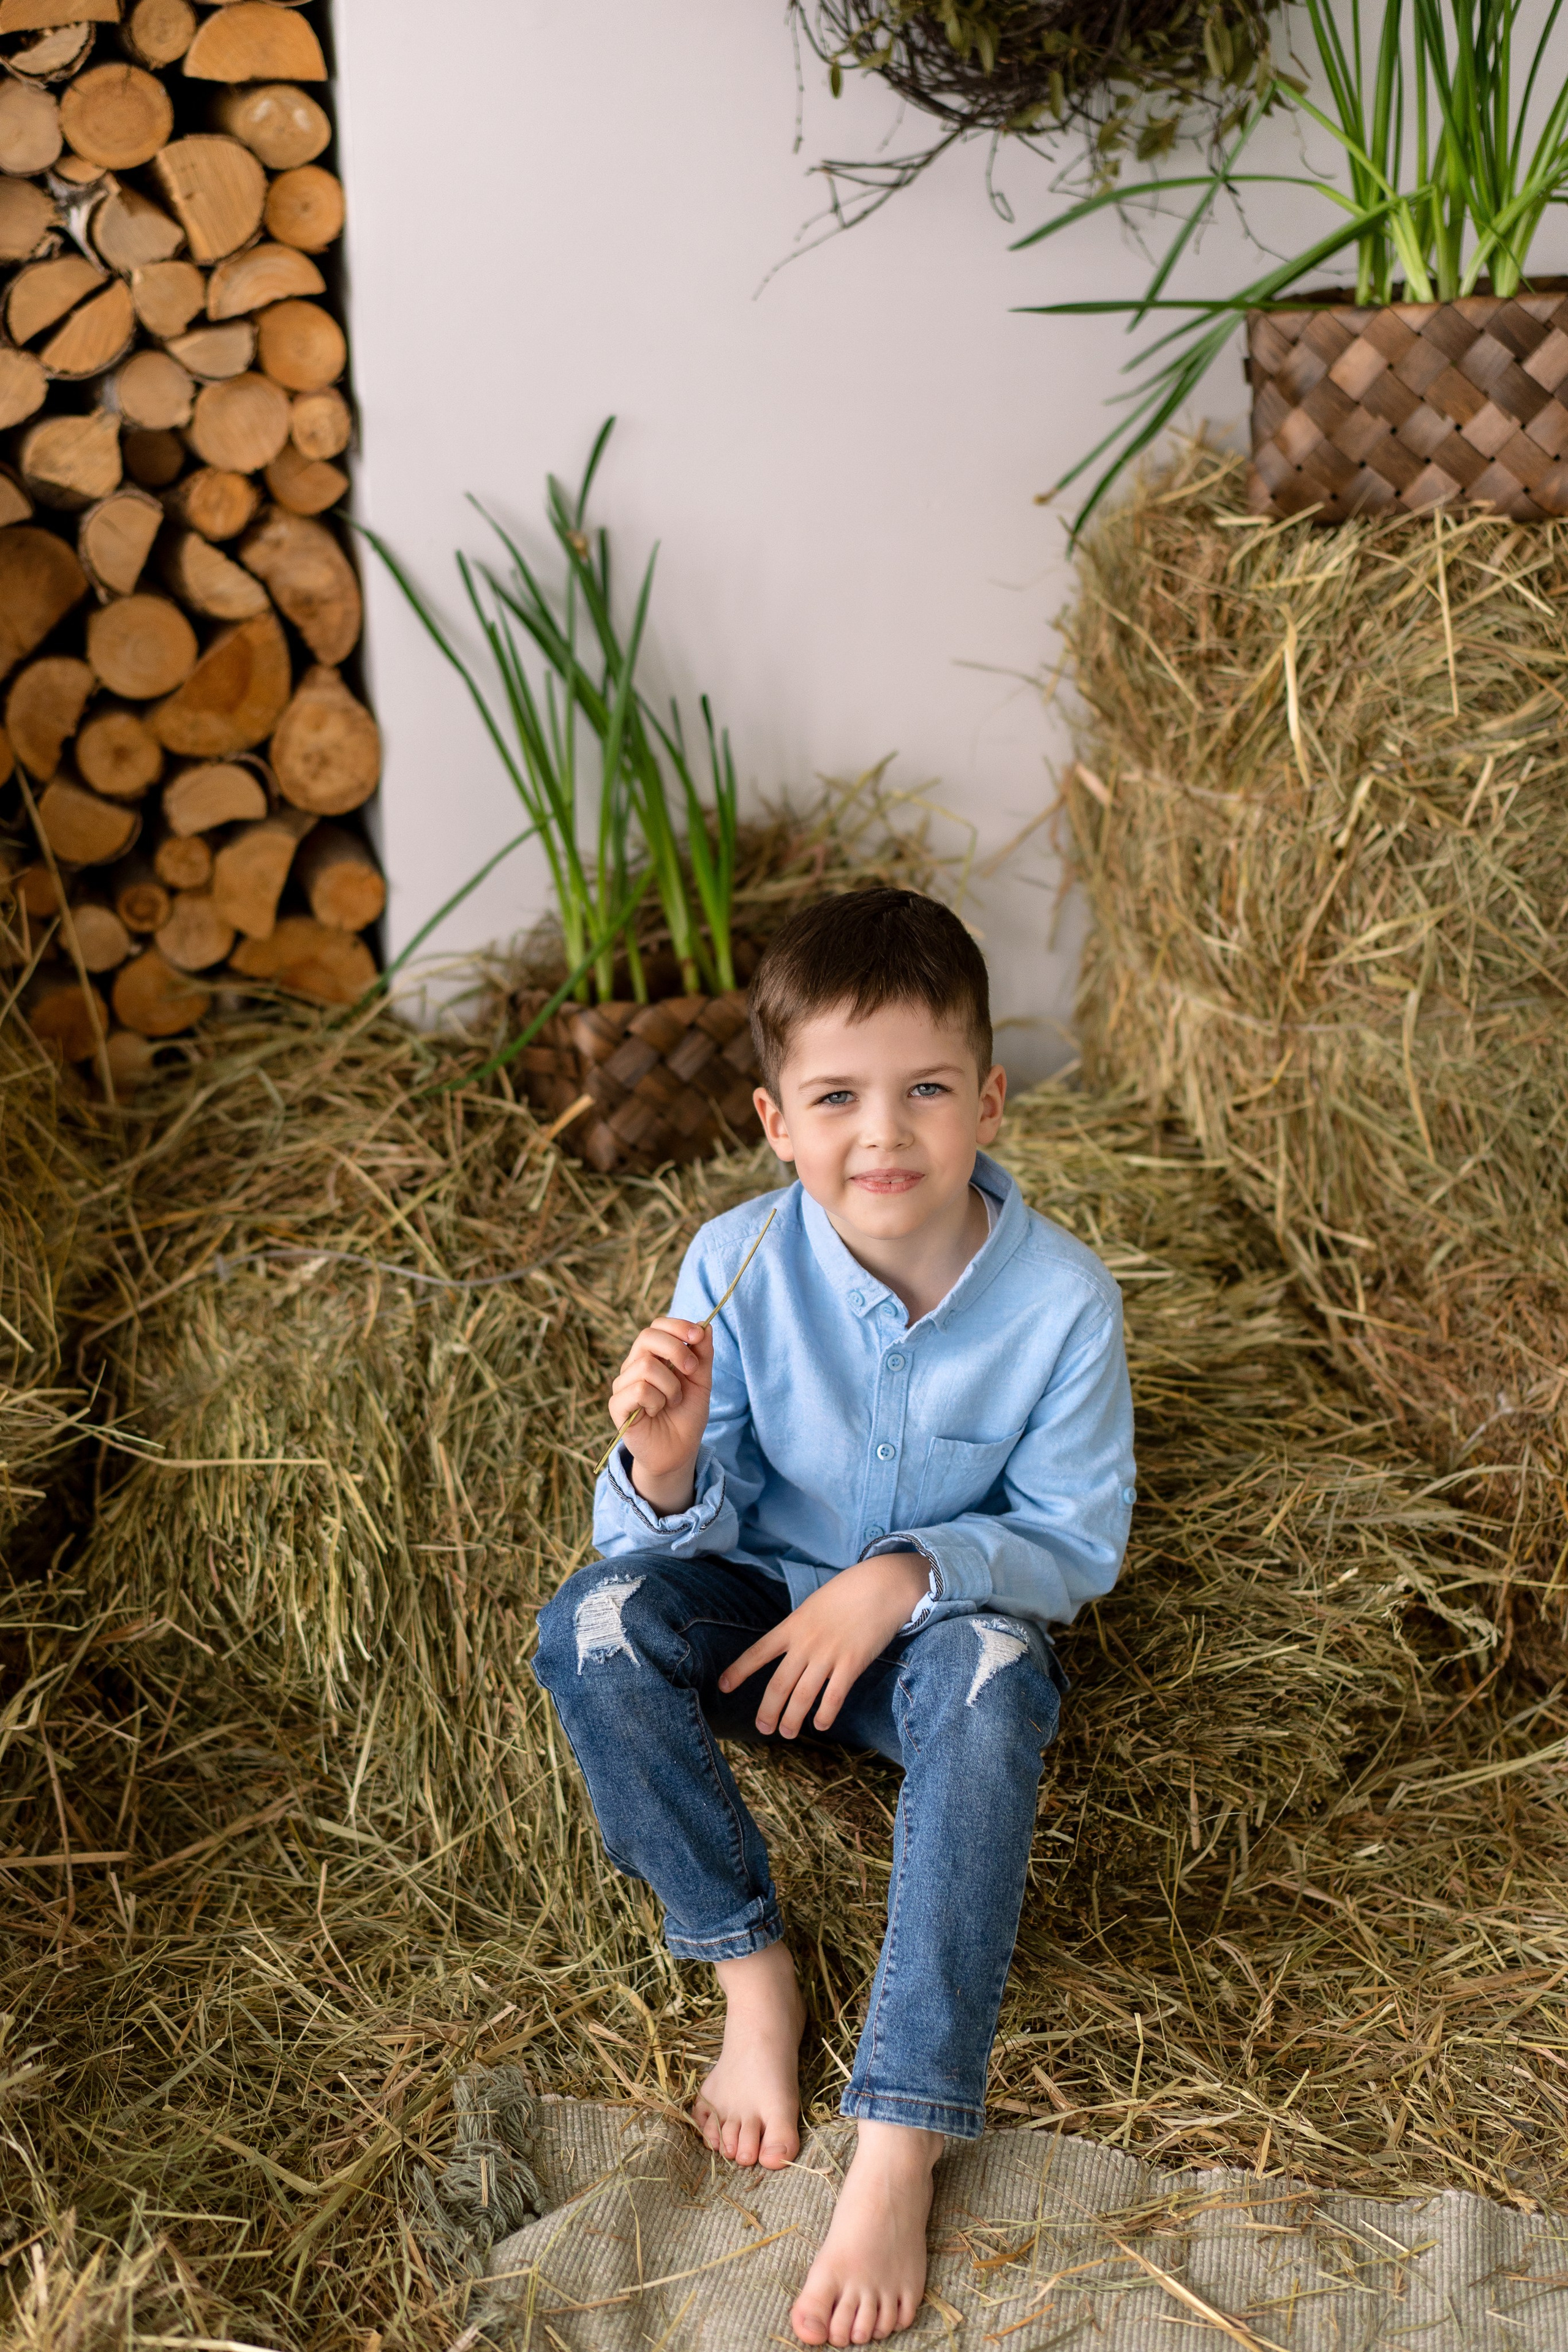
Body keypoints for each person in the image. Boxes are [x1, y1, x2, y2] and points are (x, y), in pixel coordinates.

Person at [533, 889, 1135, 2348]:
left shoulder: (1062, 1304)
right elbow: (664, 1543)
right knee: (593, 1627)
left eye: (925, 1090)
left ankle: (902, 2134)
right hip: (760, 1622)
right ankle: (753, 1980)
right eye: (835, 1099)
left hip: (928, 1642)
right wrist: (664, 1463)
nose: (883, 1135)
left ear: (988, 1101)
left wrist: (902, 1577)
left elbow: (1073, 1543)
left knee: (994, 1678)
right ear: (773, 1121)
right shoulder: (734, 1262)